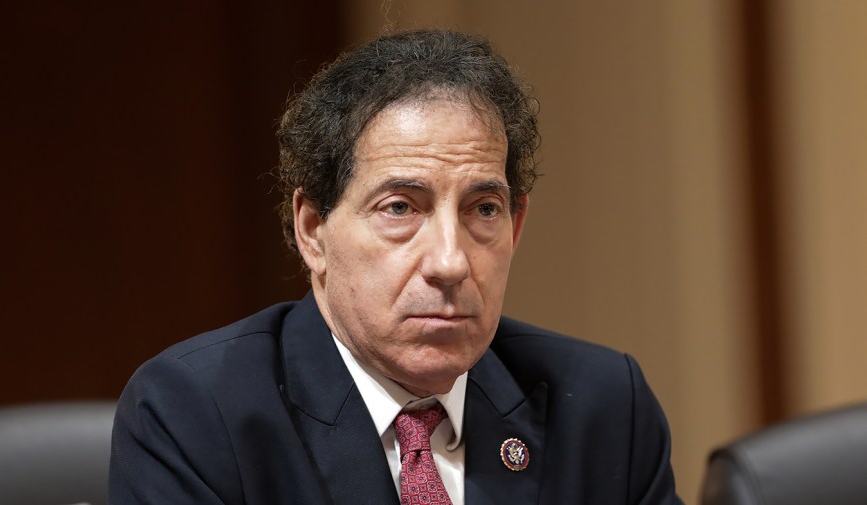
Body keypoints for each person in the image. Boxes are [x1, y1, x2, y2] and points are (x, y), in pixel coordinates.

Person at [109, 29, 683, 505]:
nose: (450, 262)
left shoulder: (604, 407)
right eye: (401, 208)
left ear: (516, 225)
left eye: (483, 209)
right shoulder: (197, 411)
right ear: (313, 229)